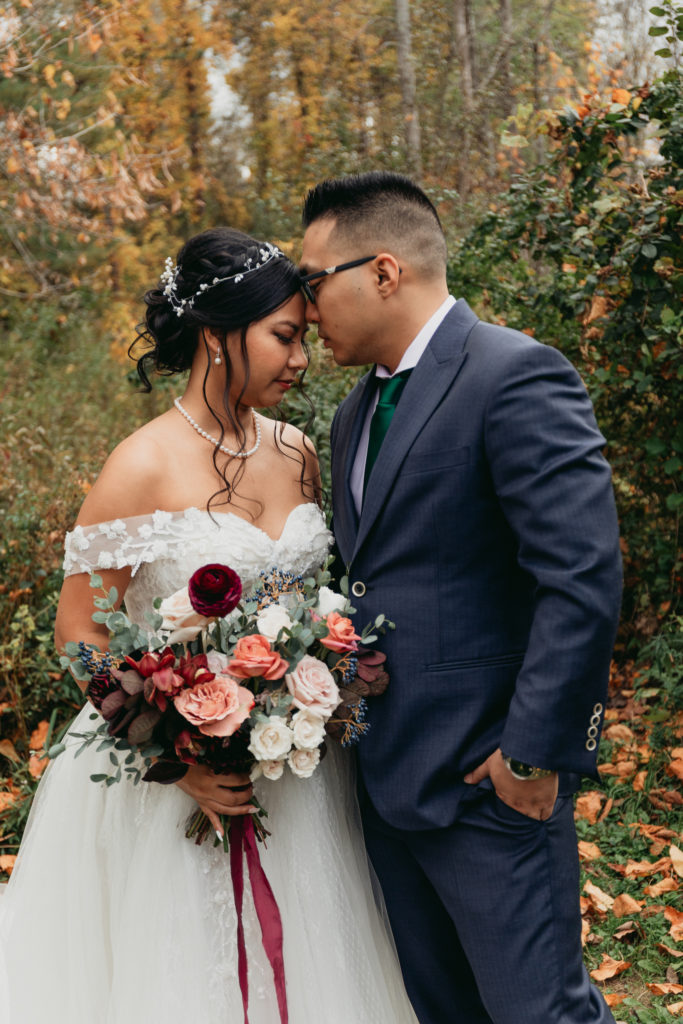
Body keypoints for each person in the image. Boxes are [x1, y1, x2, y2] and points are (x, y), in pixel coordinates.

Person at [0, 227, 418, 1024]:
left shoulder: (297, 451)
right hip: (173, 778)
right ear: (219, 335)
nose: (301, 357)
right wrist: (170, 756)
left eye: (302, 336)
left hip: (296, 773)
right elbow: (79, 631)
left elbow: (307, 600)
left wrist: (312, 688)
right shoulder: (142, 464)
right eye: (284, 336)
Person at [300, 172, 623, 1024]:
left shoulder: (515, 374)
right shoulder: (349, 417)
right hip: (384, 779)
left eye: (312, 279)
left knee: (537, 1013)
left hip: (489, 782)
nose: (303, 306)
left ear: (381, 271)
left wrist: (531, 754)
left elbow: (580, 577)